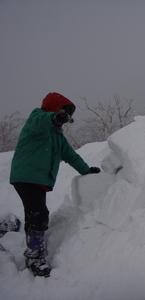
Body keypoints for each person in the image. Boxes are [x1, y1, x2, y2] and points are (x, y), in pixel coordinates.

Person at [9, 92, 101, 277]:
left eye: (67, 116)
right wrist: (53, 116)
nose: (65, 120)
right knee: (39, 214)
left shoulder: (58, 137)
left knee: (35, 213)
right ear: (54, 109)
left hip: (38, 181)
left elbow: (71, 156)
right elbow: (41, 120)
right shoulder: (37, 118)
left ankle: (34, 250)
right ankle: (35, 256)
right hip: (26, 176)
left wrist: (86, 170)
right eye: (63, 114)